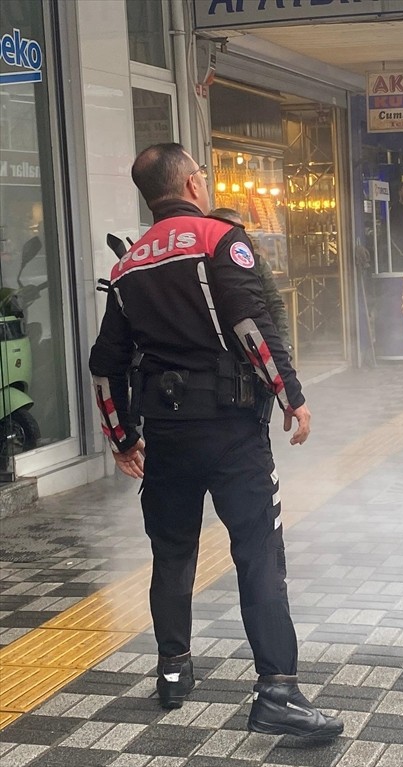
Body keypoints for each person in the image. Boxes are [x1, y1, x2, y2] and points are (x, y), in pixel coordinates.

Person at [88, 143, 341, 742]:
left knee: (172, 553)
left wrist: (123, 438)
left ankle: (173, 672)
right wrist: (292, 397)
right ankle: (277, 691)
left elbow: (106, 365)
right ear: (192, 183)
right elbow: (253, 327)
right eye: (202, 175)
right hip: (232, 434)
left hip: (167, 438)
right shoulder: (219, 241)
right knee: (257, 552)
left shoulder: (128, 267)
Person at [208, 208, 292, 353]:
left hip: (258, 342)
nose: (238, 236)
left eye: (241, 231)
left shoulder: (256, 262)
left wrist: (284, 344)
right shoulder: (204, 264)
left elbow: (275, 304)